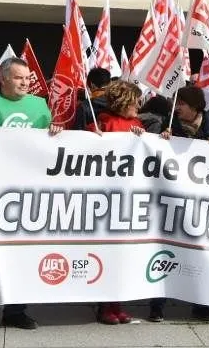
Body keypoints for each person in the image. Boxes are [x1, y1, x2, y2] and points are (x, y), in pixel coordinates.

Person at [0, 57, 62, 335]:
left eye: (28, 78)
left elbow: (47, 149)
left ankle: (15, 311)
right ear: (3, 78)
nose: (25, 83)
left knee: (21, 254)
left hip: (28, 195)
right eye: (19, 78)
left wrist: (56, 133)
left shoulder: (40, 106)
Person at [152, 86, 209, 323]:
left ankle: (202, 306)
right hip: (173, 197)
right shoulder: (169, 122)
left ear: (194, 106)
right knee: (166, 250)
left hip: (201, 200)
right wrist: (162, 139)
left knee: (201, 253)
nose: (176, 107)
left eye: (181, 103)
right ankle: (157, 305)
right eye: (176, 103)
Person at [89, 80, 143, 325]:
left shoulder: (137, 125)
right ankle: (105, 306)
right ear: (124, 102)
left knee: (123, 254)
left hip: (128, 197)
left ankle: (117, 304)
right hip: (107, 196)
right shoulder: (103, 122)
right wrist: (94, 136)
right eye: (135, 102)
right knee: (108, 253)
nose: (138, 107)